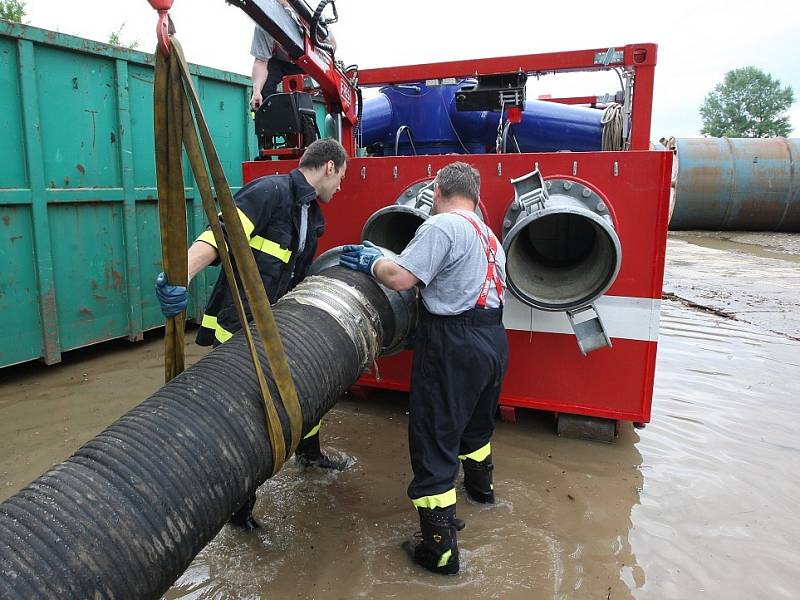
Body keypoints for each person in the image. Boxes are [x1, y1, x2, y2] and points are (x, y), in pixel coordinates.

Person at [155, 138, 348, 530]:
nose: (340, 188)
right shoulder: (271, 192)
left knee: (302, 388)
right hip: (238, 328)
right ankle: (238, 511)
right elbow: (221, 234)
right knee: (249, 419)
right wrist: (182, 274)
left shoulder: (311, 215)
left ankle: (309, 454)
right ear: (329, 167)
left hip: (274, 325)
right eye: (341, 178)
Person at [339, 162, 509, 575]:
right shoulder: (490, 237)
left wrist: (373, 262)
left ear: (437, 189)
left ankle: (439, 552)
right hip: (492, 339)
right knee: (473, 429)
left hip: (453, 343)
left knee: (434, 438)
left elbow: (400, 278)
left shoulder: (443, 226)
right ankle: (481, 492)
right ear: (477, 196)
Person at [249, 1, 337, 111]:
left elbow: (332, 46)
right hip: (279, 62)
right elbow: (261, 62)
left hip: (306, 63)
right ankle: (269, 120)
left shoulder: (309, 18)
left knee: (302, 103)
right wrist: (257, 91)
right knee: (262, 90)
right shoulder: (265, 24)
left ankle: (305, 124)